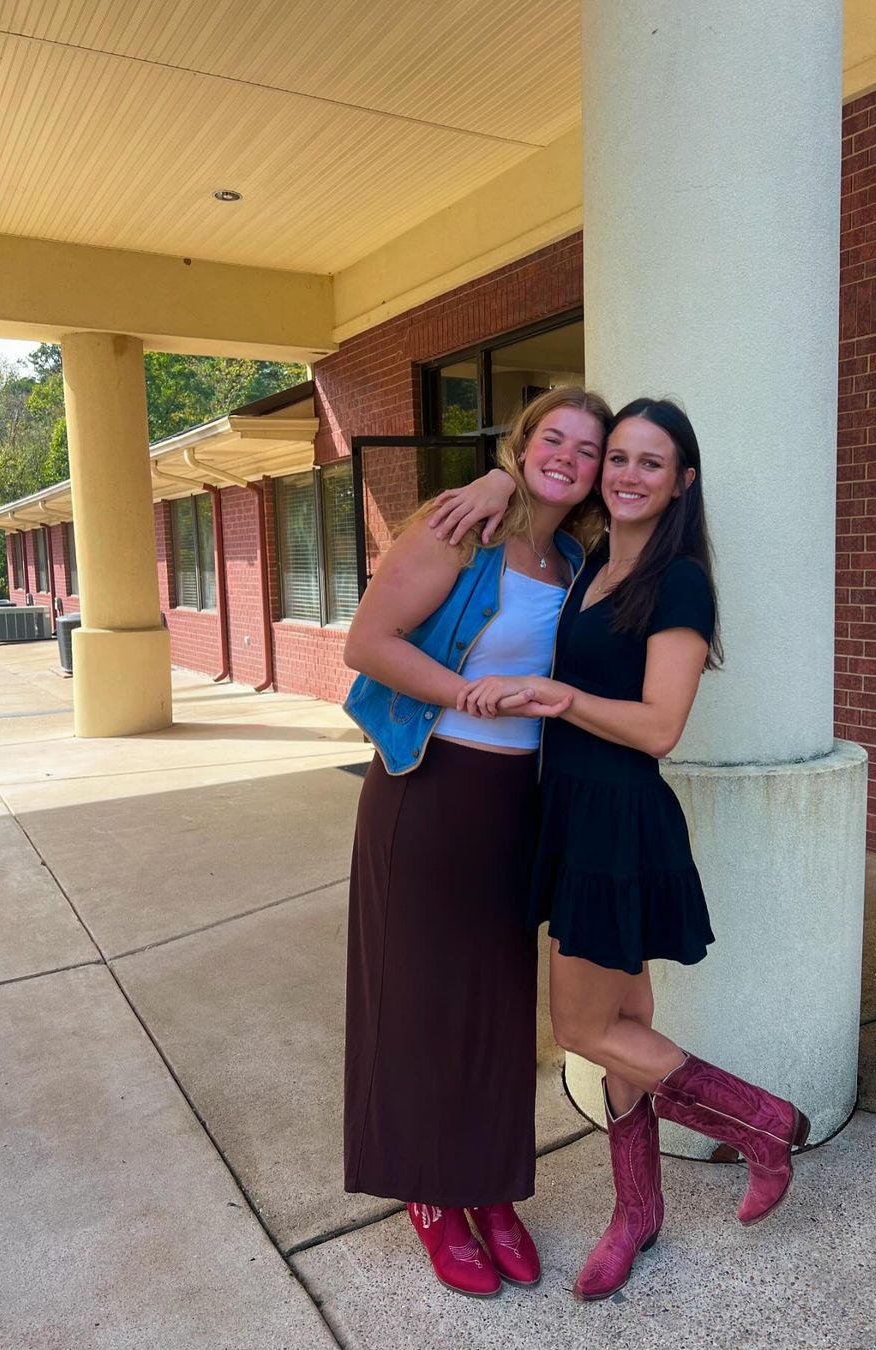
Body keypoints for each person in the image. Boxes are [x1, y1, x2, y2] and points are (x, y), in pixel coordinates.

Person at [435, 398, 810, 1302]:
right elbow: (535, 487)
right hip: (573, 813)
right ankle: (636, 1214)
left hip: (616, 822)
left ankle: (765, 1125)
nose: (627, 475)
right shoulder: (593, 557)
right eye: (620, 458)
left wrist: (558, 698)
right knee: (625, 1026)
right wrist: (495, 478)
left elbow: (659, 727)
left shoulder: (679, 582)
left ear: (683, 482)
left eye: (651, 462)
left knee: (582, 1030)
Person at [341, 386, 611, 1298]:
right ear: (522, 444)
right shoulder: (461, 527)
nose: (568, 457)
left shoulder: (575, 559)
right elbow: (367, 643)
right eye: (553, 438)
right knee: (419, 998)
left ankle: (490, 1189)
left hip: (515, 801)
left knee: (497, 1005)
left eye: (588, 448)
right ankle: (429, 1192)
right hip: (430, 786)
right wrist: (466, 695)